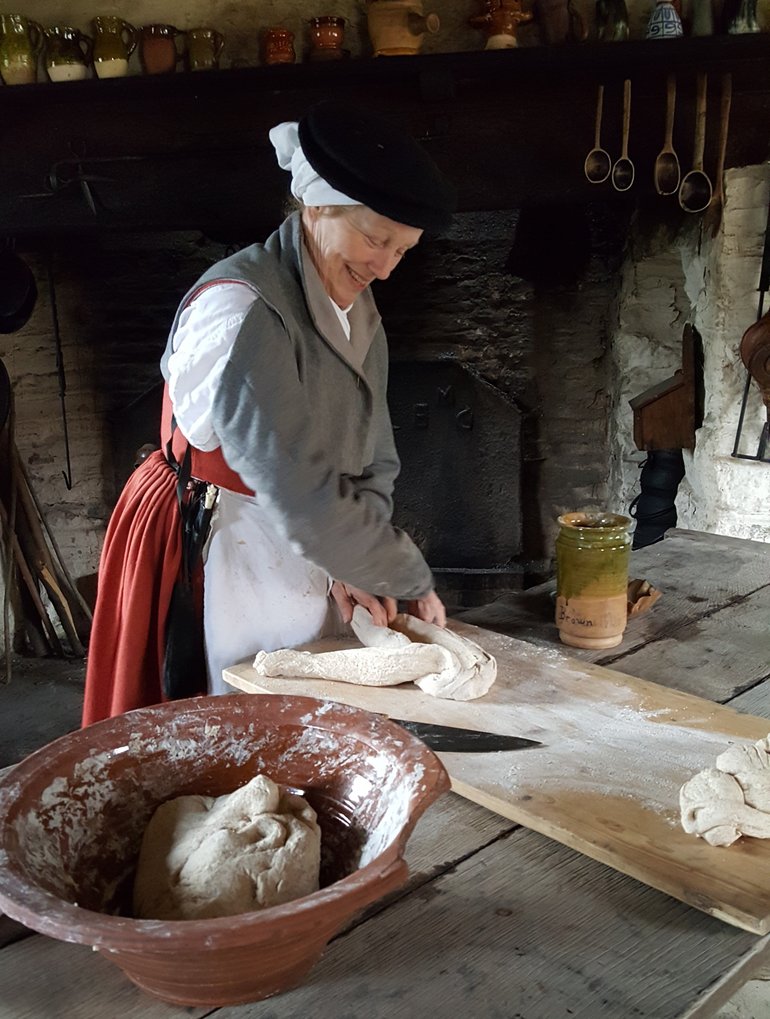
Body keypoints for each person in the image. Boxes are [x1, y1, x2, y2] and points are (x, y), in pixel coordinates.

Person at [82, 100, 456, 726]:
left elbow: (373, 454)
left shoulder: (358, 314)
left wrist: (352, 561)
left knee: (297, 719)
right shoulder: (242, 309)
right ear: (316, 206)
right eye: (374, 238)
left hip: (297, 533)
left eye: (403, 249)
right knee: (229, 724)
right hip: (218, 540)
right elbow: (299, 490)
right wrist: (403, 573)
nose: (386, 268)